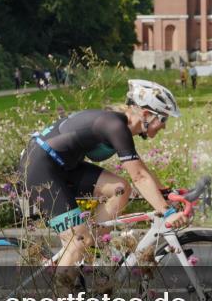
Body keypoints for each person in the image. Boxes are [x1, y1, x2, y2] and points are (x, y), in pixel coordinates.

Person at [20, 79, 188, 269]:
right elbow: (139, 177)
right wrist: (167, 212)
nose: (164, 126)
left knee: (120, 189)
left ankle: (91, 250)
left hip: (62, 166)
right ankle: (61, 294)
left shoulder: (118, 125)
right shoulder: (115, 126)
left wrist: (166, 193)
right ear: (147, 114)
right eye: (163, 119)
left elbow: (140, 169)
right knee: (77, 241)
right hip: (40, 168)